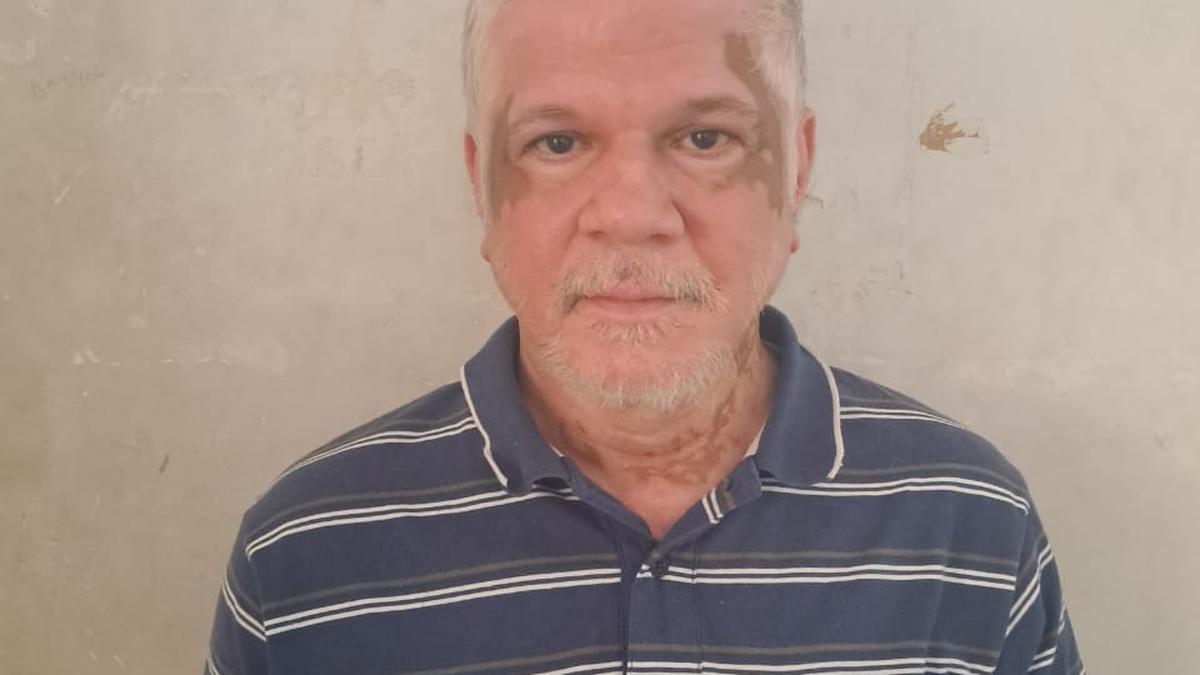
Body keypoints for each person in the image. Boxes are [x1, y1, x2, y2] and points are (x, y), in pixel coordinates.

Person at [206, 1, 1084, 673]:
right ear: (482, 188)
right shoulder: (305, 561)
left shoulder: (970, 526)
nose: (630, 215)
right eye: (557, 142)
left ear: (798, 171)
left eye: (705, 137)